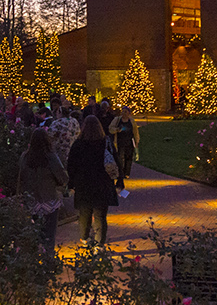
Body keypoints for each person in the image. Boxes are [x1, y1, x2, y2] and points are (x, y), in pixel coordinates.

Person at [67, 115, 118, 248]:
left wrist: (71, 183)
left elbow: (71, 165)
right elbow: (116, 161)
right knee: (100, 215)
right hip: (102, 183)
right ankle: (99, 244)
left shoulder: (78, 144)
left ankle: (84, 239)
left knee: (84, 213)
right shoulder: (105, 142)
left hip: (84, 184)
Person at [17, 129, 68, 254]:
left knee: (36, 233)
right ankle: (48, 262)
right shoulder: (51, 157)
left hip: (32, 201)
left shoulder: (25, 157)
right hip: (49, 199)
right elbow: (62, 177)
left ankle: (36, 262)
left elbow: (21, 178)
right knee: (49, 234)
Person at [109, 105, 140, 189]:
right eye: (122, 112)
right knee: (120, 157)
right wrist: (116, 130)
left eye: (125, 112)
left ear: (129, 113)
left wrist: (137, 141)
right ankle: (120, 172)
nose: (123, 113)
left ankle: (127, 172)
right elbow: (110, 129)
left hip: (129, 141)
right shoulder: (117, 120)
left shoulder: (131, 121)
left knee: (129, 157)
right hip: (120, 142)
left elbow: (135, 131)